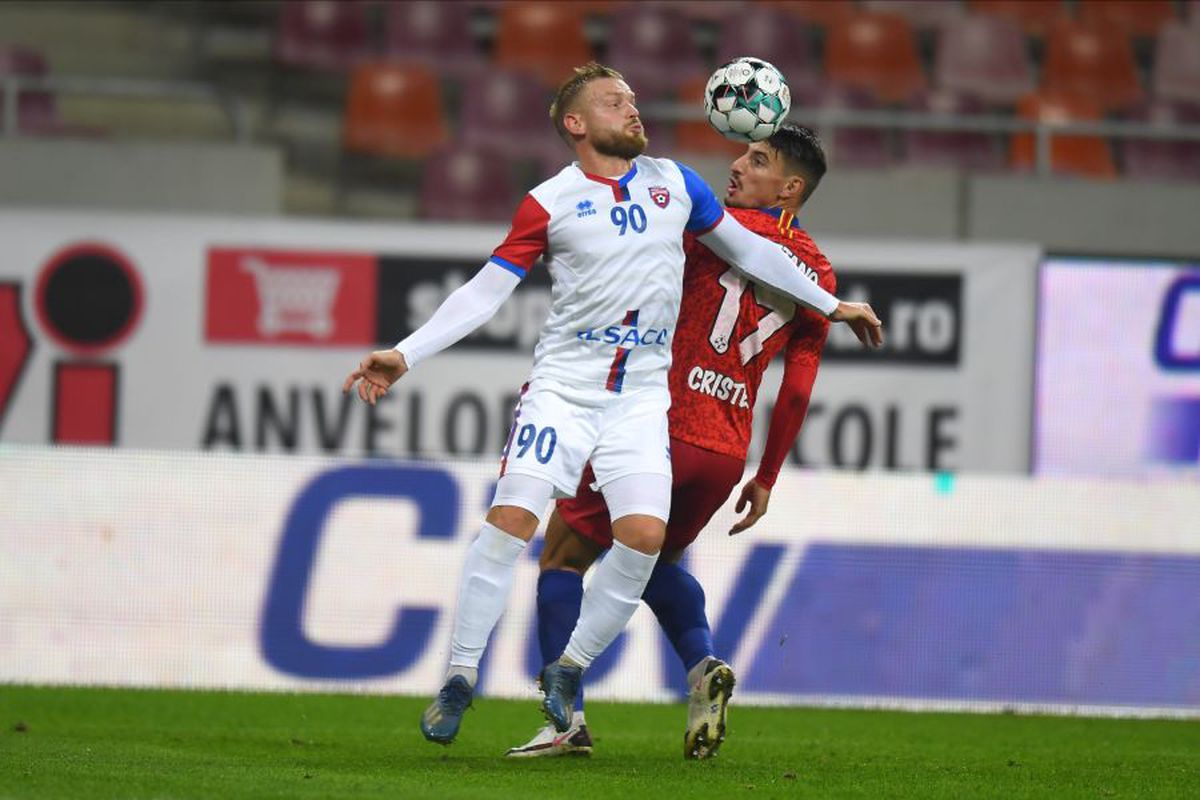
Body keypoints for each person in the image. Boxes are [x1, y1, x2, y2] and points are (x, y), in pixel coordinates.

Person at [342, 63, 882, 747]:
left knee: (610, 549)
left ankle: (568, 690)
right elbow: (486, 289)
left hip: (647, 409)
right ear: (575, 123)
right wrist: (408, 352)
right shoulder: (555, 201)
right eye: (613, 102)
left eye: (631, 99)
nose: (632, 109)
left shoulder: (678, 189)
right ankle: (470, 675)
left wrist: (833, 307)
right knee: (537, 528)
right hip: (606, 405)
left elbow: (748, 247)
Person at [504, 123, 841, 760]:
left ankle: (563, 723)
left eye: (758, 159)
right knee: (655, 563)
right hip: (723, 452)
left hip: (655, 424)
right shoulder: (819, 273)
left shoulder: (703, 227)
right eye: (744, 151)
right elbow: (796, 390)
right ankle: (701, 666)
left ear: (790, 189)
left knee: (563, 555)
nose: (737, 164)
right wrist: (765, 477)